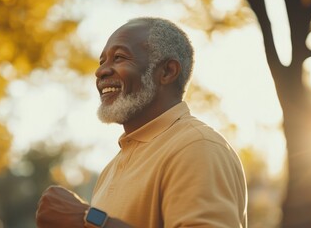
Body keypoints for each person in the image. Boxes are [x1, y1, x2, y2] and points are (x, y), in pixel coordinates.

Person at [36, 17, 248, 228]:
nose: (101, 71)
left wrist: (86, 218)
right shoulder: (111, 169)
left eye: (119, 57)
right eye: (102, 61)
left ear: (167, 72)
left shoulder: (196, 146)